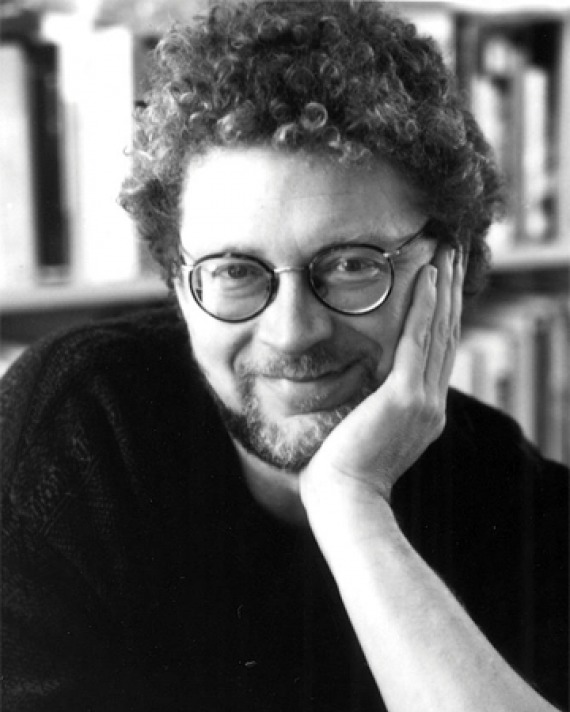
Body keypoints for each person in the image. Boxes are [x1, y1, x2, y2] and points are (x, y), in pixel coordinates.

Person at [2, 2, 567, 711]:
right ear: (178, 286)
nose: (292, 332)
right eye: (236, 272)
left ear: (448, 269)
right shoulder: (75, 430)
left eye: (352, 265)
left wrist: (352, 506)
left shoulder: (516, 502)